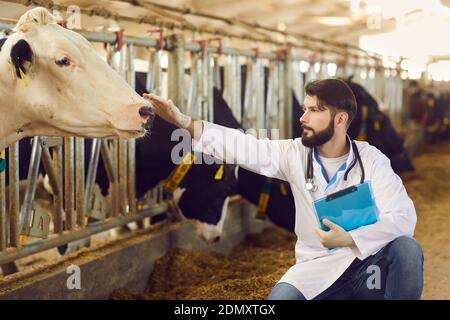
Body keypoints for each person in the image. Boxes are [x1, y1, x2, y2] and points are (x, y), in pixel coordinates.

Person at [143, 78, 424, 300]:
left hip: (366, 266)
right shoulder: (294, 154)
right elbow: (242, 146)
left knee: (406, 249)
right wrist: (182, 121)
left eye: (314, 110)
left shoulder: (371, 159)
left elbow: (403, 218)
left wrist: (351, 239)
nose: (303, 117)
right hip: (315, 270)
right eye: (305, 108)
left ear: (340, 120)